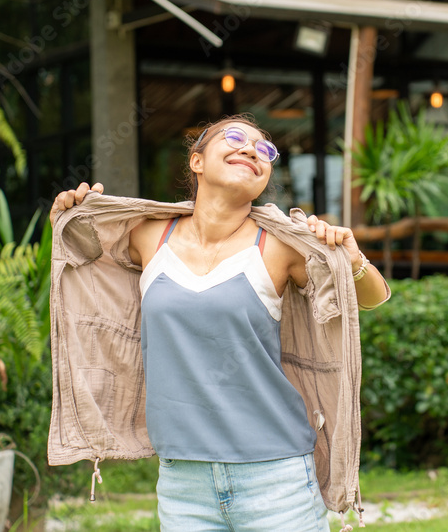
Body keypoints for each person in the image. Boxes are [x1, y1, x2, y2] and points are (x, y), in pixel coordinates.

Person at [50, 114, 390, 531]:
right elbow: (82, 255)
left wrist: (352, 260)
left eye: (265, 150)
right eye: (234, 138)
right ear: (196, 161)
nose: (252, 150)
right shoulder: (147, 236)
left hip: (276, 478)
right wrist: (73, 211)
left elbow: (369, 299)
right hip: (182, 482)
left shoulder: (280, 247)